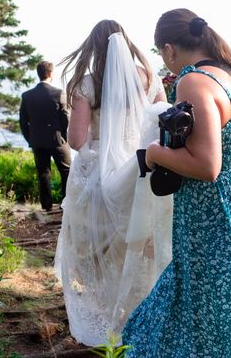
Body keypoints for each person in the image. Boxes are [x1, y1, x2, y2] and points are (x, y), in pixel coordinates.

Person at [122, 9, 231, 357]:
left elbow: (209, 166)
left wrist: (153, 153)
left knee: (210, 315)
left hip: (218, 211)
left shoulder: (193, 81)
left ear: (168, 49)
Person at [54, 19, 173, 347]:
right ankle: (136, 318)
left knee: (96, 250)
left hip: (98, 179)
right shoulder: (148, 77)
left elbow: (77, 140)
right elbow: (162, 117)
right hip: (138, 170)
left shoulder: (86, 84)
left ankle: (105, 317)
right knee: (134, 246)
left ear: (93, 47)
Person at [19, 61, 71, 211]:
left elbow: (23, 122)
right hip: (58, 140)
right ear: (50, 74)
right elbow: (65, 118)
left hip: (37, 141)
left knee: (43, 173)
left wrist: (30, 138)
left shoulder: (27, 96)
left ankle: (46, 206)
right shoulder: (58, 93)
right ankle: (65, 205)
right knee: (67, 171)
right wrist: (64, 137)